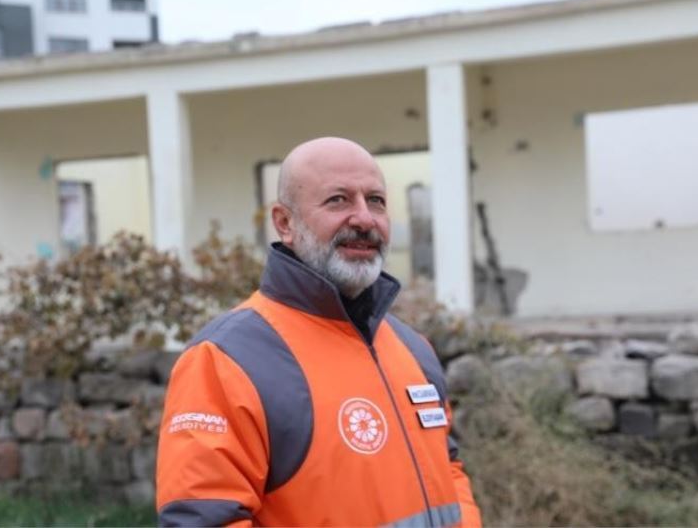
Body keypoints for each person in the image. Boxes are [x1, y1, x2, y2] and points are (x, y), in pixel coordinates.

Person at [156, 137, 481, 527]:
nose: (364, 219)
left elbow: (448, 467)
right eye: (338, 200)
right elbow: (205, 519)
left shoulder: (413, 348)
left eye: (376, 200)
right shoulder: (225, 360)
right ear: (285, 223)